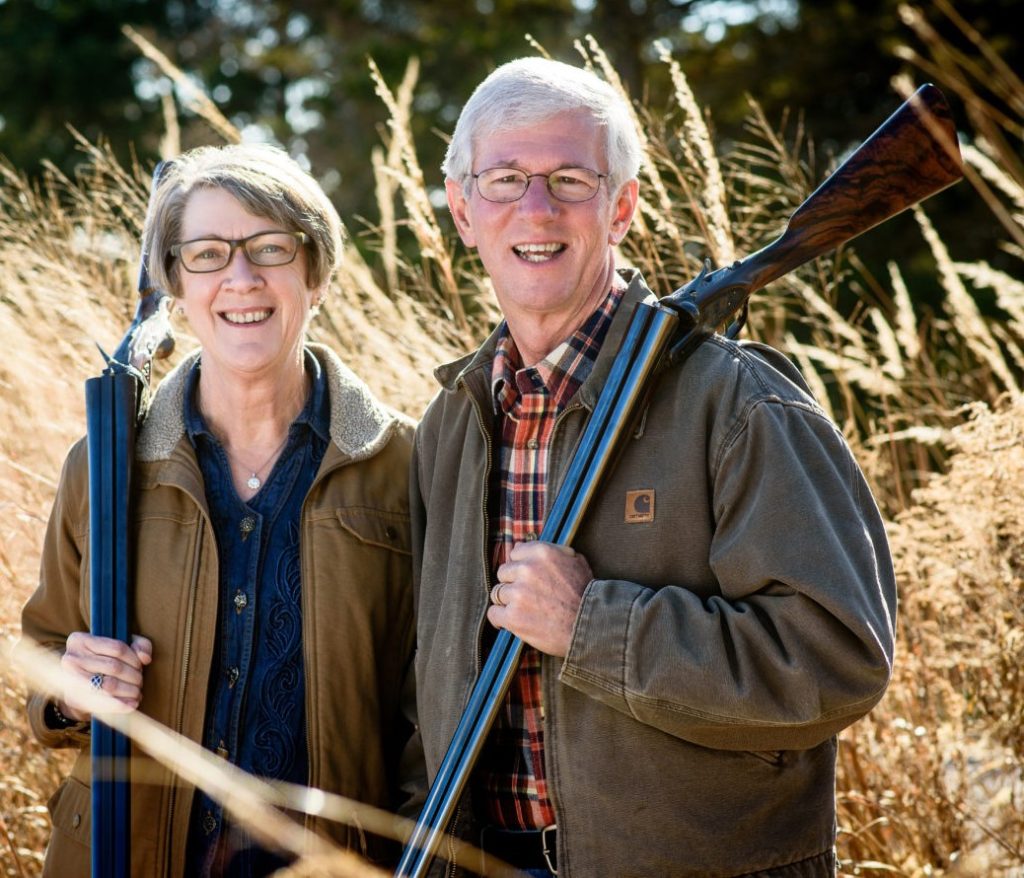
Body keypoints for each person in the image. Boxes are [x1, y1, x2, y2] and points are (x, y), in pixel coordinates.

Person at [409, 57, 897, 877]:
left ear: (623, 205)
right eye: (503, 180)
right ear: (461, 208)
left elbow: (837, 658)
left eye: (571, 178)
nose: (536, 207)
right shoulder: (448, 426)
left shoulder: (738, 404)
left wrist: (591, 626)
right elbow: (420, 692)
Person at [21, 143, 420, 876]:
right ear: (175, 281)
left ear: (316, 272)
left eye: (269, 247)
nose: (241, 278)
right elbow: (45, 654)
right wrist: (71, 696)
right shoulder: (106, 465)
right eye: (206, 253)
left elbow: (433, 707)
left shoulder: (404, 466)